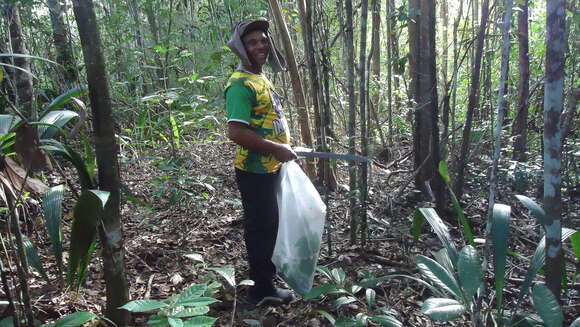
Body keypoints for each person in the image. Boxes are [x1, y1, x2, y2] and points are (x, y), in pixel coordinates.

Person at [224, 19, 297, 306]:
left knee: (269, 224)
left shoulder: (260, 77)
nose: (261, 46)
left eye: (263, 39)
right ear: (242, 48)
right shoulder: (240, 84)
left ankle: (266, 278)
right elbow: (236, 131)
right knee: (260, 228)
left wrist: (282, 147)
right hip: (254, 170)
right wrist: (275, 148)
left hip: (269, 168)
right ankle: (260, 290)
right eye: (253, 42)